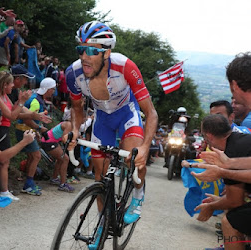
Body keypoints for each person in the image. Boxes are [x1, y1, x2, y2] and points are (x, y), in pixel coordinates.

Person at [65, 21, 158, 241]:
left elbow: (151, 113)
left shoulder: (125, 67)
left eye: (92, 51)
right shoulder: (73, 73)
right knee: (100, 177)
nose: (84, 57)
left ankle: (137, 194)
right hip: (102, 120)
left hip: (127, 115)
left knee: (133, 160)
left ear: (106, 52)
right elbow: (77, 109)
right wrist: (76, 131)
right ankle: (103, 221)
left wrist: (145, 147)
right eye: (81, 50)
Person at [184, 114, 251, 250]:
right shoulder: (240, 141)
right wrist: (220, 200)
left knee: (230, 221)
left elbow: (234, 201)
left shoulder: (231, 151)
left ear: (209, 136)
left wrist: (212, 206)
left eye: (204, 137)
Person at [0, 71, 31, 200]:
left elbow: (15, 113)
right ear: (4, 84)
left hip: (2, 130)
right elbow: (11, 116)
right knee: (4, 161)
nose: (13, 85)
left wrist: (33, 115)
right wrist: (21, 102)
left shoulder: (5, 96)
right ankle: (3, 191)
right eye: (11, 83)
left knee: (0, 162)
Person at [15, 77, 56, 195]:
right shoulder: (36, 102)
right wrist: (39, 128)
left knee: (31, 157)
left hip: (25, 130)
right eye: (52, 89)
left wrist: (36, 130)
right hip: (25, 130)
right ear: (47, 89)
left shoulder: (35, 97)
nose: (53, 92)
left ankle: (28, 182)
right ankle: (28, 184)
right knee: (36, 156)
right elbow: (28, 118)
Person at [41, 121, 75, 192]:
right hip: (49, 141)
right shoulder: (69, 124)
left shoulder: (69, 123)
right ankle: (63, 184)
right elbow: (64, 139)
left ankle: (54, 178)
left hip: (50, 140)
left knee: (60, 159)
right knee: (65, 159)